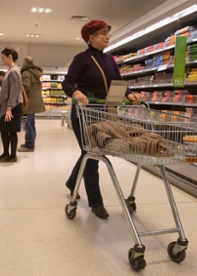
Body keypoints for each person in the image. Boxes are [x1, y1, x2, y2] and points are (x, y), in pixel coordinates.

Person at [62, 19, 141, 219]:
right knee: (92, 154)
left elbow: (118, 82)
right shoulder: (81, 59)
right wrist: (77, 93)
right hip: (84, 112)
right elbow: (68, 83)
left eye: (108, 33)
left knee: (89, 151)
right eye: (102, 33)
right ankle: (96, 202)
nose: (107, 36)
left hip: (103, 113)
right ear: (91, 37)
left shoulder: (109, 60)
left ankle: (72, 182)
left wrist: (129, 94)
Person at [0, 47, 23, 163]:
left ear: (10, 57)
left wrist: (9, 109)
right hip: (6, 107)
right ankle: (5, 153)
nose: (2, 60)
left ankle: (13, 155)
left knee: (11, 130)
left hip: (12, 107)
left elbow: (14, 92)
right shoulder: (10, 70)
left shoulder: (14, 71)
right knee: (4, 129)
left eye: (3, 57)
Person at [18, 56, 46, 152]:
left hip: (29, 101)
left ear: (25, 62)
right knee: (31, 123)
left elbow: (26, 86)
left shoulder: (26, 72)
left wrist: (18, 90)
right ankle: (29, 142)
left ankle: (29, 145)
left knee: (28, 124)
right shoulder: (35, 73)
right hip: (35, 101)